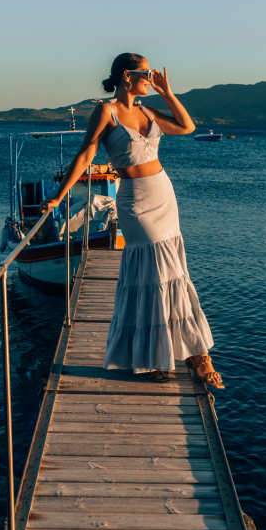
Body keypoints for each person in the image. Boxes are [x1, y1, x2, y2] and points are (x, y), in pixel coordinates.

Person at [41, 53, 223, 387]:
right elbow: (85, 154)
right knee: (152, 273)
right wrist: (59, 195)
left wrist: (167, 92)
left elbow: (187, 127)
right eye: (146, 72)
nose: (151, 76)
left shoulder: (147, 110)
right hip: (136, 201)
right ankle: (153, 356)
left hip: (163, 196)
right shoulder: (106, 111)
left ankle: (191, 352)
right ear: (127, 76)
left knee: (174, 273)